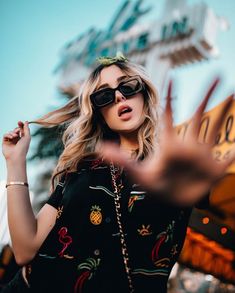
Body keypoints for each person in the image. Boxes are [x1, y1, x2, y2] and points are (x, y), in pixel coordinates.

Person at [2, 54, 234, 293]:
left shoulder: (172, 169)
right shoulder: (78, 170)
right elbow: (25, 249)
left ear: (144, 92)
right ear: (98, 112)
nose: (119, 96)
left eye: (128, 85)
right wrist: (15, 161)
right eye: (104, 95)